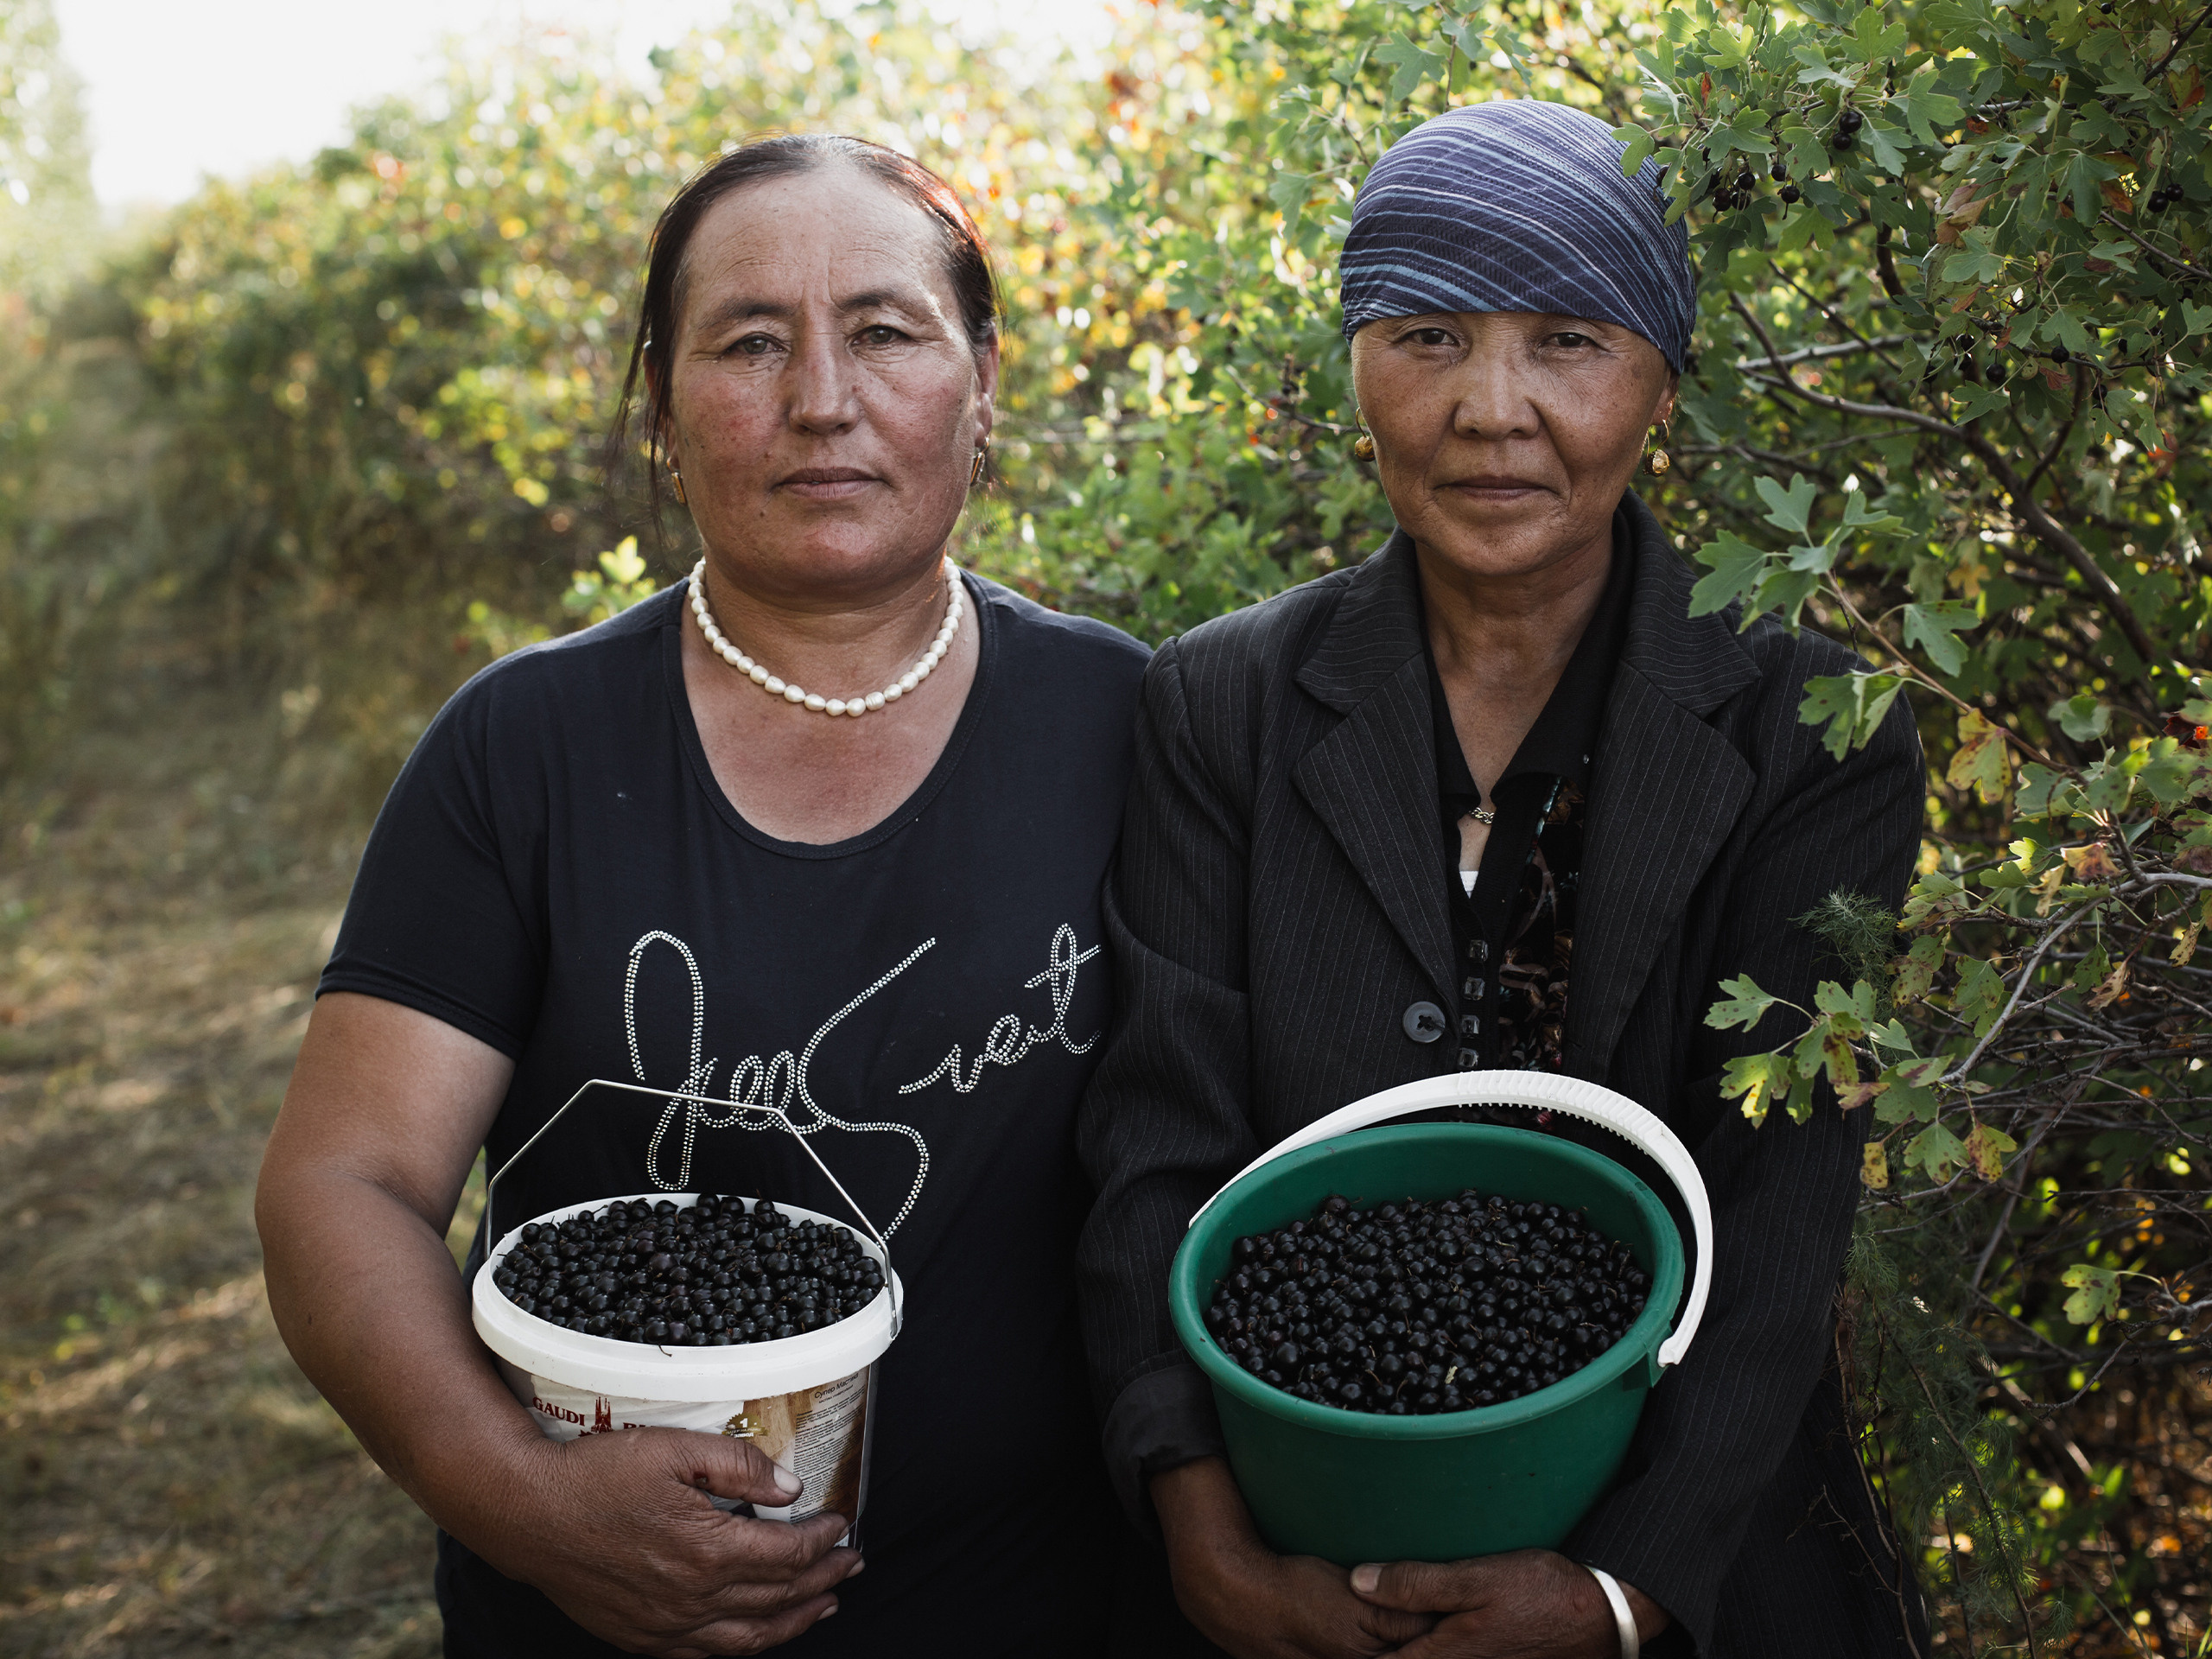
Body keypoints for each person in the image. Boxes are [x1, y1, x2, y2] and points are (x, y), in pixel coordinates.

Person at [257, 134, 1148, 1657]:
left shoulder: (1129, 726)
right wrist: (525, 1504)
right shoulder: (525, 748)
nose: (822, 399)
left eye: (885, 330)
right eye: (748, 342)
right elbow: (346, 1185)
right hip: (588, 1622)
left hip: (1041, 1609)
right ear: (663, 408)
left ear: (982, 380)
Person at [1078, 99, 1928, 1659]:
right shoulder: (1222, 703)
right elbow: (1157, 1137)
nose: (1492, 410)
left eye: (1568, 342)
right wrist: (1202, 1531)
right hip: (1295, 1535)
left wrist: (1620, 1594)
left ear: (1661, 380)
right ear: (1356, 371)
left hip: (1696, 1553)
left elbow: (1786, 1199)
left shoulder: (1815, 731)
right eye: (1428, 337)